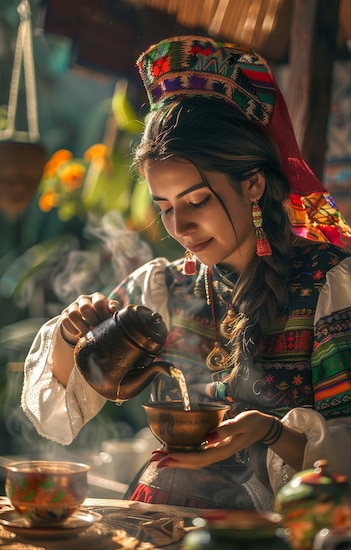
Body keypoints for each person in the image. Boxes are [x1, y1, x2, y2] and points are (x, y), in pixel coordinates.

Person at [21, 36, 351, 511]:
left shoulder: (327, 287)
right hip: (162, 520)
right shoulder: (164, 288)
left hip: (272, 543)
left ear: (253, 183)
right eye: (165, 208)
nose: (180, 227)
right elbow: (57, 419)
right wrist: (71, 338)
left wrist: (271, 430)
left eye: (197, 201)